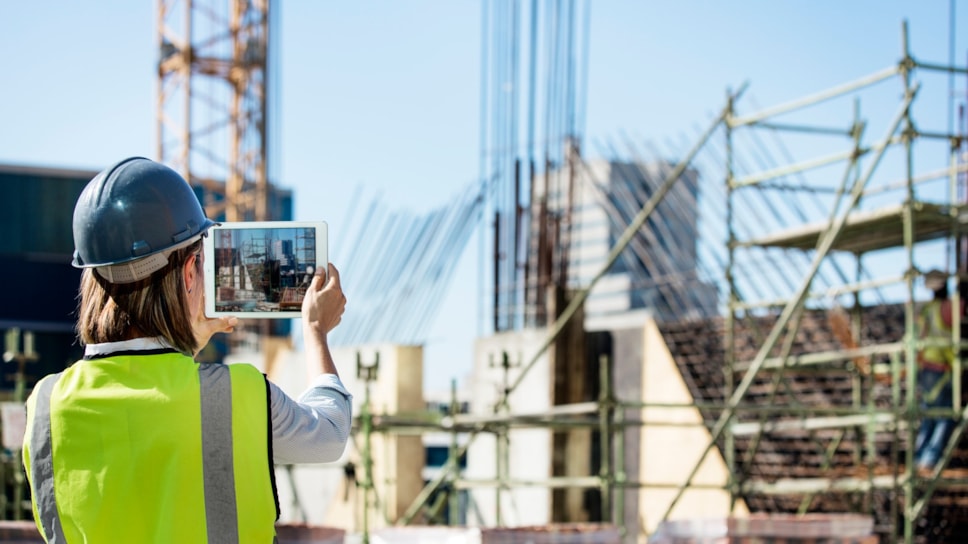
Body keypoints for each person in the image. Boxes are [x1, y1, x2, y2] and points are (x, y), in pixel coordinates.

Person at [22, 157, 351, 542]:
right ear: (191, 270)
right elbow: (329, 433)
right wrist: (315, 330)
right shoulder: (236, 394)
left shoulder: (45, 404)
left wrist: (185, 342)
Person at [914, 269, 960, 473]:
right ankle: (929, 459)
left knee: (928, 415)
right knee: (944, 415)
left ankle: (920, 458)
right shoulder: (948, 308)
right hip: (942, 368)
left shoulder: (926, 310)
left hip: (925, 368)